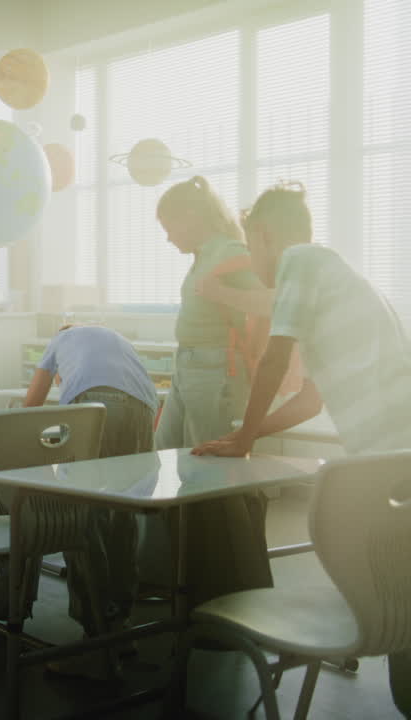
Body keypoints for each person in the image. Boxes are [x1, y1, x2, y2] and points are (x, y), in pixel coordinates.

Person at [194, 182, 411, 718]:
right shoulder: (334, 276)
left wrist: (246, 436)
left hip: (404, 439)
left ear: (267, 236)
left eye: (252, 248)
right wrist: (248, 433)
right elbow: (308, 399)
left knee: (404, 584)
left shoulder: (302, 260)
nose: (253, 261)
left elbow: (275, 359)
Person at [152, 175, 277, 609]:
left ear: (191, 216)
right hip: (187, 368)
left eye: (170, 225)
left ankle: (232, 583)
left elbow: (270, 304)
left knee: (212, 475)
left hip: (214, 371)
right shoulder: (204, 255)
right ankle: (167, 572)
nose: (167, 236)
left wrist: (219, 290)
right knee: (163, 457)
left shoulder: (231, 252)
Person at [23, 324, 158, 674]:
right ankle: (119, 624)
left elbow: (29, 407)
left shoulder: (58, 339)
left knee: (84, 513)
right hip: (144, 408)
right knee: (123, 510)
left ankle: (95, 634)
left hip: (94, 404)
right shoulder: (117, 338)